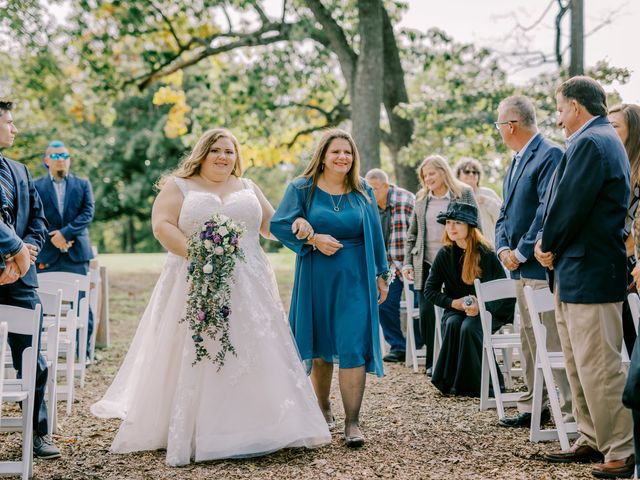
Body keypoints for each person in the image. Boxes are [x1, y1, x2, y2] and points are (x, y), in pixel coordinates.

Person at [91, 128, 330, 466]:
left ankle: (261, 425)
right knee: (199, 344)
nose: (222, 157)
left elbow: (272, 225)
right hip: (194, 277)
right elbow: (162, 226)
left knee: (253, 346)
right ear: (201, 153)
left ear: (237, 157)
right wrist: (202, 257)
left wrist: (300, 228)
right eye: (216, 150)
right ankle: (197, 427)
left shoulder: (248, 187)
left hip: (249, 282)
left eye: (229, 152)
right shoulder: (180, 186)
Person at [535, 76, 634, 478]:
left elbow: (569, 204)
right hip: (576, 270)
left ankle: (622, 448)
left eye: (559, 109)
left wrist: (547, 243)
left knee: (599, 364)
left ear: (575, 106)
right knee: (578, 362)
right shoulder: (597, 140)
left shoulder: (592, 142)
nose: (558, 119)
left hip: (591, 269)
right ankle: (592, 435)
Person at [270, 129, 389, 448]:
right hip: (316, 275)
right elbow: (279, 224)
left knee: (353, 346)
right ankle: (322, 409)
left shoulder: (362, 187)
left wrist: (381, 273)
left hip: (355, 277)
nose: (342, 157)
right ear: (323, 155)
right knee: (321, 348)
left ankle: (353, 422)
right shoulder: (301, 188)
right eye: (336, 151)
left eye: (348, 153)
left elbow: (374, 232)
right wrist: (311, 238)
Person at [493, 95, 572, 429]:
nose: (498, 130)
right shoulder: (513, 161)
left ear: (510, 125)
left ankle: (570, 412)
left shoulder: (550, 154)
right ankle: (533, 406)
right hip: (518, 268)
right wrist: (502, 250)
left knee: (553, 340)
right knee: (528, 337)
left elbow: (546, 210)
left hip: (541, 265)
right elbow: (504, 214)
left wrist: (522, 250)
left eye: (499, 124)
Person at [0, 100, 60, 458]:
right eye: (9, 122)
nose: (14, 128)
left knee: (32, 358)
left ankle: (37, 433)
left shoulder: (20, 171)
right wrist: (14, 250)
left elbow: (37, 219)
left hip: (20, 282)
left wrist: (26, 255)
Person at [424, 202, 514, 396]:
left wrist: (480, 307)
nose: (451, 227)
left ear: (470, 227)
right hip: (457, 309)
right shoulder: (444, 254)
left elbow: (502, 293)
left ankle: (486, 387)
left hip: (492, 309)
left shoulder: (486, 253)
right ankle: (454, 383)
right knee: (455, 323)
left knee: (470, 327)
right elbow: (429, 291)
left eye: (457, 222)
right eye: (448, 222)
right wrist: (453, 303)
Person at [402, 155, 478, 375]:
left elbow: (476, 226)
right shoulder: (421, 198)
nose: (428, 178)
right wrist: (408, 262)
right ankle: (432, 362)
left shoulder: (463, 193)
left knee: (457, 310)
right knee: (426, 312)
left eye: (432, 173)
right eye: (424, 175)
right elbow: (412, 234)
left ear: (443, 172)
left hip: (456, 261)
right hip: (426, 262)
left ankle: (456, 361)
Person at [35, 140, 95, 359]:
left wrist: (65, 234)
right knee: (39, 302)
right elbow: (35, 216)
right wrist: (55, 238)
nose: (61, 161)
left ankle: (83, 353)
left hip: (77, 253)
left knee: (82, 303)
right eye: (55, 156)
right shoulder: (36, 186)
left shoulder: (83, 184)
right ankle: (39, 353)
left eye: (64, 156)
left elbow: (87, 213)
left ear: (69, 160)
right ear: (46, 161)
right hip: (46, 253)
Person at [364, 168, 415, 363]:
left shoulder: (406, 199)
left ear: (386, 186)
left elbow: (418, 231)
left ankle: (418, 344)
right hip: (388, 266)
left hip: (410, 262)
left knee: (419, 303)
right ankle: (398, 346)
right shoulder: (368, 206)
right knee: (383, 302)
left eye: (374, 189)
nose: (370, 194)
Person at [609, 103, 640, 357]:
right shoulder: (616, 167)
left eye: (615, 126)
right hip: (620, 266)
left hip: (633, 266)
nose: (608, 131)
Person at [454, 157, 501, 246]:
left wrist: (487, 202)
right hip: (463, 247)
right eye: (467, 171)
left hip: (488, 247)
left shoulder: (488, 193)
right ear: (458, 175)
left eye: (475, 172)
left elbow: (503, 217)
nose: (471, 174)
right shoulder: (454, 196)